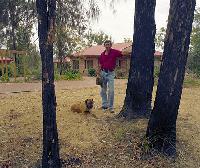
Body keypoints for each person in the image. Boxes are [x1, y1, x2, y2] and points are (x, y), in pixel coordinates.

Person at [97, 40, 123, 113]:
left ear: (111, 45)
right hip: (103, 73)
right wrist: (98, 73)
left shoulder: (114, 52)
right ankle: (105, 105)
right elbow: (100, 64)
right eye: (106, 44)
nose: (107, 46)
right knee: (103, 91)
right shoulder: (102, 54)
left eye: (108, 44)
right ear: (104, 46)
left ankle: (111, 107)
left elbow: (123, 54)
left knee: (111, 91)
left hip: (110, 73)